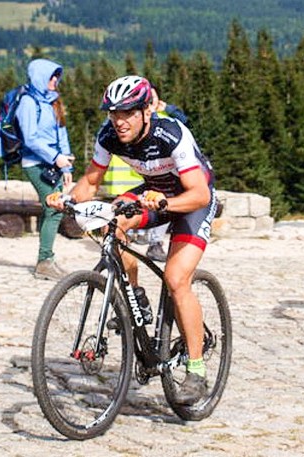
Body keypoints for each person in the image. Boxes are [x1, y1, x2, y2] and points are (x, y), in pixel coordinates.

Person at [47, 75, 218, 405]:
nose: (119, 121)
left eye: (127, 113)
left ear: (146, 111)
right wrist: (66, 198)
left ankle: (196, 370)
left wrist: (166, 204)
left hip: (191, 199)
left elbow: (197, 194)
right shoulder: (109, 135)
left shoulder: (171, 134)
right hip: (154, 193)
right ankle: (135, 297)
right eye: (114, 113)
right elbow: (90, 182)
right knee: (112, 219)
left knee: (176, 278)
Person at [17, 58, 75, 280]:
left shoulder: (52, 101)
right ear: (40, 76)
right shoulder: (28, 103)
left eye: (57, 76)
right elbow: (30, 139)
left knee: (51, 208)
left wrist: (66, 165)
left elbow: (62, 133)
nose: (55, 80)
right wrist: (56, 157)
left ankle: (47, 259)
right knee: (53, 208)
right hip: (36, 163)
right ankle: (44, 262)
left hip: (54, 162)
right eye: (51, 76)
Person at [144, 85, 190, 262]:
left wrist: (169, 109)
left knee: (162, 204)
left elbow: (185, 122)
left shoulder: (165, 122)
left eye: (153, 98)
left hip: (164, 179)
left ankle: (155, 244)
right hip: (139, 177)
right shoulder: (132, 123)